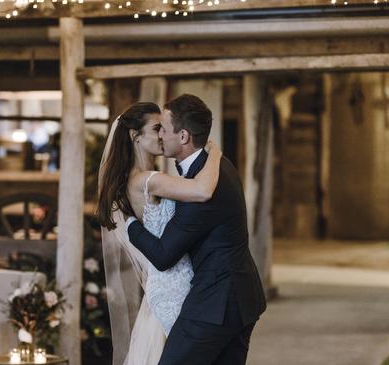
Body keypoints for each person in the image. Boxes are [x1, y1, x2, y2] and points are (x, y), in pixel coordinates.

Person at [126, 94, 267, 365]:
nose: (159, 137)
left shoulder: (203, 189)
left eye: (163, 130)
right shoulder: (217, 166)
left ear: (183, 137)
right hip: (241, 298)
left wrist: (128, 223)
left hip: (216, 304)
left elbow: (164, 255)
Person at [98, 101, 222, 365]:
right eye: (157, 128)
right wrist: (215, 152)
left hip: (171, 280)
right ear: (135, 136)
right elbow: (202, 190)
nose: (163, 134)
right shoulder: (145, 181)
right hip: (173, 285)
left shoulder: (140, 178)